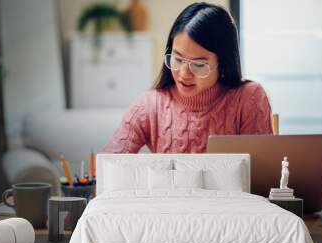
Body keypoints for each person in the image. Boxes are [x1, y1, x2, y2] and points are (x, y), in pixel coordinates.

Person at [102, 2, 273, 154]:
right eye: (177, 59)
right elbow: (108, 165)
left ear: (222, 63)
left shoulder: (249, 98)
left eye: (198, 64)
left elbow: (263, 176)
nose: (184, 73)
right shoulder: (150, 105)